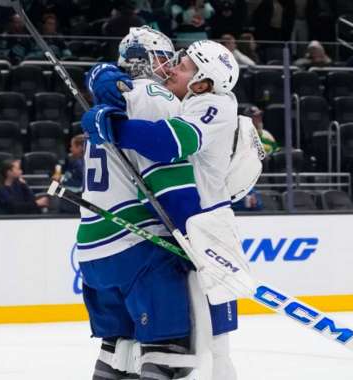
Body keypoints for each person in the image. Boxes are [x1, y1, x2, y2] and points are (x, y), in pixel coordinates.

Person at [82, 38, 252, 380]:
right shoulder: (178, 100)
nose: (172, 67)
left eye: (184, 66)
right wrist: (100, 73)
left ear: (202, 82)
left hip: (206, 228)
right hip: (189, 226)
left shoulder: (217, 104)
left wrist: (110, 125)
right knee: (177, 343)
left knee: (213, 342)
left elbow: (166, 142)